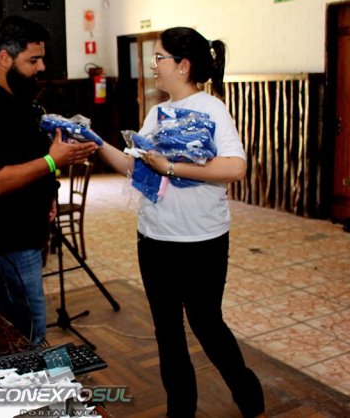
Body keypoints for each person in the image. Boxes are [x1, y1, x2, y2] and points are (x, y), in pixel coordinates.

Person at [96, 27, 266, 417]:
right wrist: (96, 142)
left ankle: (250, 401)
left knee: (207, 326)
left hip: (203, 241)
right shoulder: (156, 113)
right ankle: (180, 411)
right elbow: (135, 167)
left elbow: (235, 167)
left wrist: (171, 167)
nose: (153, 65)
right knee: (168, 333)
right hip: (154, 239)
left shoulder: (212, 109)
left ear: (183, 65)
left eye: (159, 58)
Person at [0, 15, 98, 345]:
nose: (41, 67)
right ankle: (25, 378)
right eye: (33, 60)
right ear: (5, 57)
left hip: (22, 234)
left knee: (22, 329)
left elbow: (25, 156)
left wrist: (48, 193)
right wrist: (52, 161)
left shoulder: (15, 97)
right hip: (4, 242)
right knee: (26, 332)